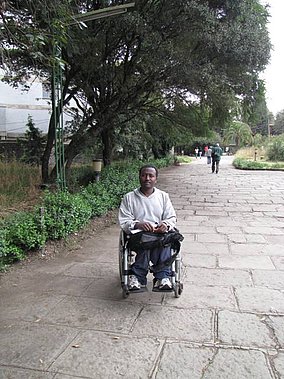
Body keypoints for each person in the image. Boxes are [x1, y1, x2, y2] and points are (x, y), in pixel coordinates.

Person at [118, 164, 177, 291]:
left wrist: (165, 225)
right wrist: (138, 224)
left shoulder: (163, 196)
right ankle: (138, 277)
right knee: (145, 241)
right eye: (144, 175)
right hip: (138, 235)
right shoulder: (129, 197)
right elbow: (124, 220)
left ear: (156, 179)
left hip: (159, 234)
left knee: (166, 241)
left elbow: (171, 216)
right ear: (139, 177)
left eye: (151, 176)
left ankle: (163, 277)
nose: (147, 178)